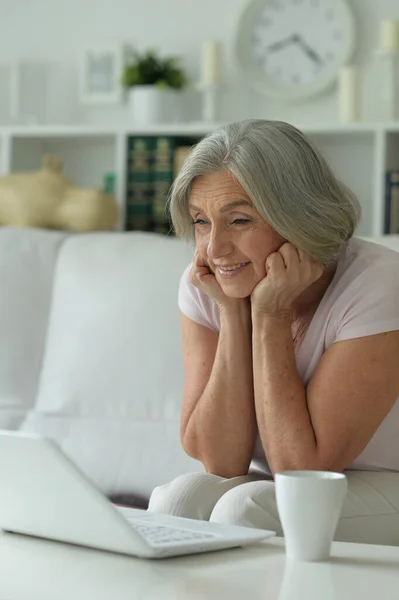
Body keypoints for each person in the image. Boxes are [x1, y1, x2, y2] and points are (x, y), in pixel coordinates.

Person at [148, 119, 399, 546]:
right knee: (181, 498)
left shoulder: (380, 286)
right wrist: (233, 315)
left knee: (244, 509)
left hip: (383, 483)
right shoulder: (208, 283)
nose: (214, 249)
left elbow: (302, 471)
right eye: (202, 222)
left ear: (298, 216)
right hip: (282, 488)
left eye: (239, 220)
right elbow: (220, 459)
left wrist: (270, 314)